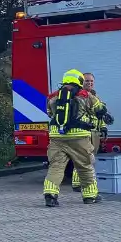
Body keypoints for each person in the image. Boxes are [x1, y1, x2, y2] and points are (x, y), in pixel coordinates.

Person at [44, 69, 103, 206]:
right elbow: (99, 109)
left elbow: (49, 113)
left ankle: (50, 195)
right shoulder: (85, 96)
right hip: (79, 137)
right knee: (85, 166)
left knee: (56, 167)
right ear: (79, 81)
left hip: (57, 136)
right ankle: (90, 196)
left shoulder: (53, 97)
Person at [72, 72, 113, 192]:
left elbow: (100, 115)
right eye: (86, 81)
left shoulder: (95, 96)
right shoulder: (79, 96)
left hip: (95, 132)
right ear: (81, 82)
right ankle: (78, 183)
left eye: (91, 81)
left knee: (90, 158)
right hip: (84, 131)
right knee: (83, 158)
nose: (89, 83)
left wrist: (103, 127)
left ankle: (80, 182)